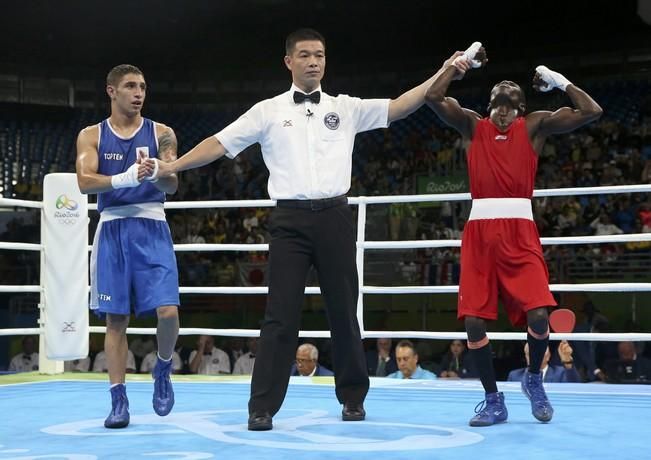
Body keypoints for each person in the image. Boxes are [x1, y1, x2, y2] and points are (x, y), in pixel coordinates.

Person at [152, 28, 463, 431]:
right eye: (305, 55)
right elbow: (218, 142)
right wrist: (173, 167)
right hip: (289, 222)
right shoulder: (266, 111)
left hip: (335, 217)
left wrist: (444, 71)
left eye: (319, 55)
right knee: (279, 316)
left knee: (343, 312)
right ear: (289, 61)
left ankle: (353, 398)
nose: (313, 61)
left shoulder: (346, 107)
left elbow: (400, 105)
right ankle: (261, 406)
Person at [425, 44, 602, 426]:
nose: (502, 106)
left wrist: (558, 80)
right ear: (489, 105)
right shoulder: (473, 125)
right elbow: (433, 96)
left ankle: (534, 379)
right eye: (496, 100)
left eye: (510, 100)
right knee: (473, 321)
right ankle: (492, 399)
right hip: (480, 232)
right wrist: (459, 64)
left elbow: (592, 112)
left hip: (520, 231)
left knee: (539, 315)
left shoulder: (535, 125)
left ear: (521, 107)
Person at [75, 64, 181, 429]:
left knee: (168, 312)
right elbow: (84, 182)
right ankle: (118, 400)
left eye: (143, 87)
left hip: (152, 227)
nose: (139, 93)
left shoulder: (162, 133)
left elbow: (173, 185)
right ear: (111, 91)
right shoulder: (91, 135)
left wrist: (156, 171)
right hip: (113, 230)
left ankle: (163, 368)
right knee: (116, 320)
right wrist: (124, 177)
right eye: (131, 86)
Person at [508, 341, 580, 383]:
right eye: (529, 353)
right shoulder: (514, 376)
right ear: (526, 356)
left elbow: (575, 385)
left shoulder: (560, 373)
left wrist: (567, 361)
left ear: (548, 356)